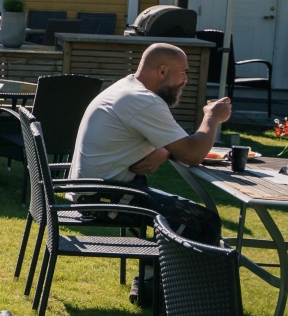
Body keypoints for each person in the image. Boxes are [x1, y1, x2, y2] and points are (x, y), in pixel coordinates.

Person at [69, 42, 228, 245]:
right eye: (183, 73)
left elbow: (177, 145)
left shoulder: (128, 88)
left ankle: (153, 275)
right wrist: (212, 117)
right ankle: (162, 277)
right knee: (202, 223)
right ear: (163, 71)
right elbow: (192, 154)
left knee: (185, 218)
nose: (185, 80)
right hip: (102, 198)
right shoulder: (143, 101)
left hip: (97, 191)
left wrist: (164, 151)